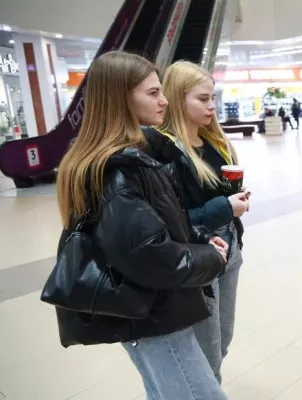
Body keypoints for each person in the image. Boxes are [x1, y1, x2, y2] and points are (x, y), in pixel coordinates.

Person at [55, 51, 229, 400]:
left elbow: (146, 230)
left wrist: (196, 236)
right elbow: (150, 255)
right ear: (121, 98)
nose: (164, 100)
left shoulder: (130, 158)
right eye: (152, 93)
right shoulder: (117, 171)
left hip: (147, 310)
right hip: (155, 315)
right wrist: (210, 258)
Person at [142, 60, 249, 384]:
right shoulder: (166, 153)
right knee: (207, 350)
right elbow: (173, 222)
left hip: (230, 250)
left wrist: (236, 202)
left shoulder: (215, 143)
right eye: (202, 99)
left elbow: (221, 196)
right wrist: (223, 208)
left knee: (224, 337)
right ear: (177, 97)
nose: (211, 106)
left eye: (213, 98)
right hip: (200, 255)